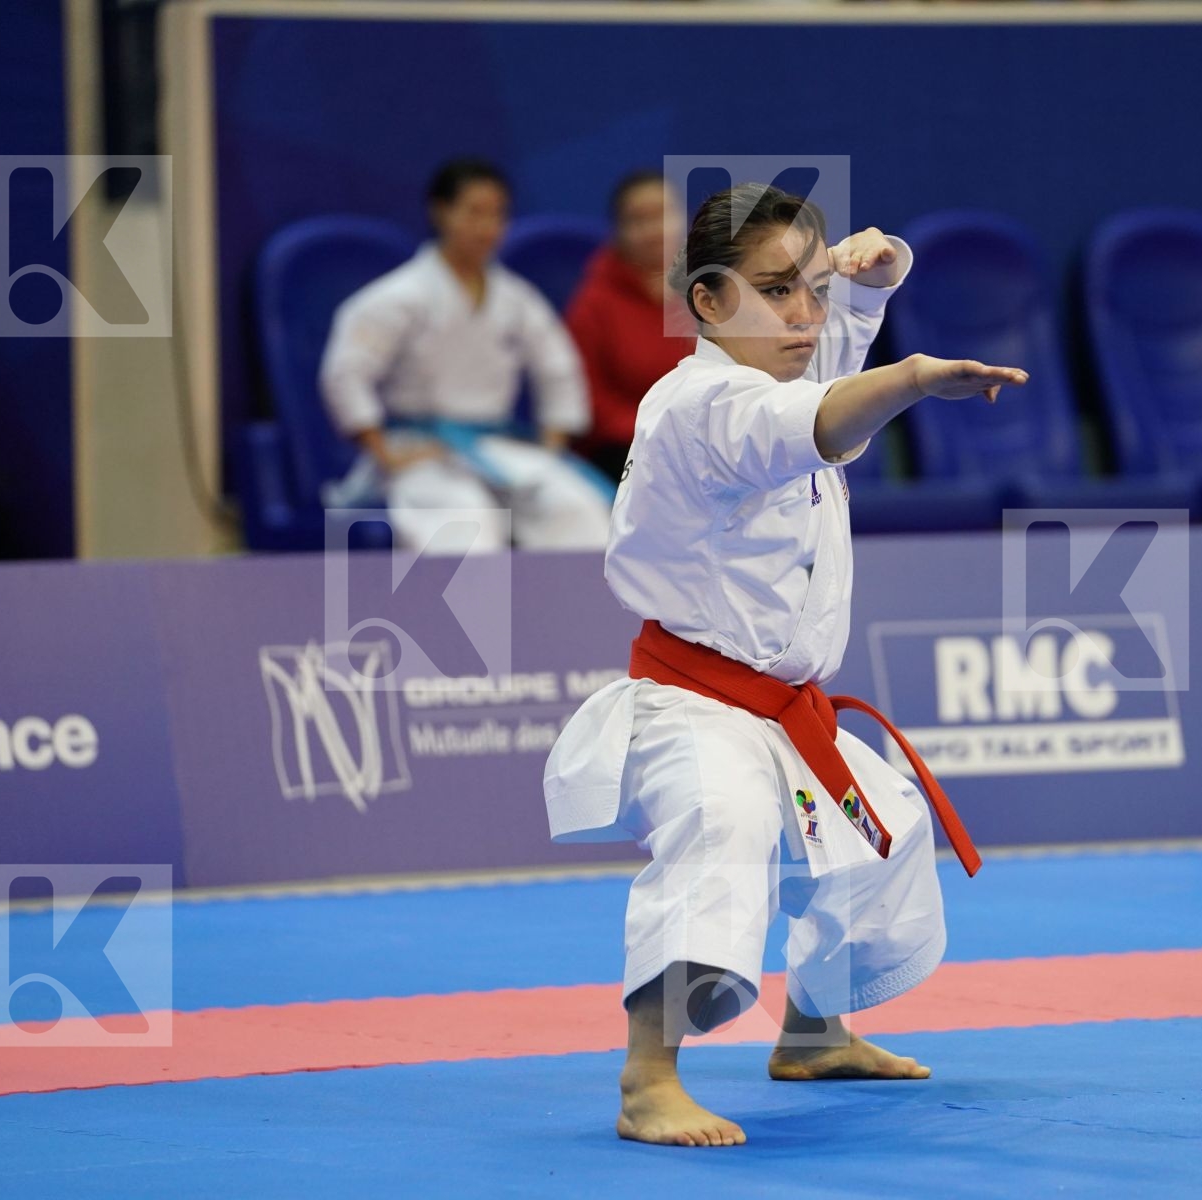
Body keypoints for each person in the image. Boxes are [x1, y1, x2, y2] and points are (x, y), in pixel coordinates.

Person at [542, 183, 1028, 1147]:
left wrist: (878, 274)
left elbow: (830, 357)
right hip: (694, 702)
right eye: (778, 291)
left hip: (782, 707)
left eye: (812, 287)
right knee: (724, 827)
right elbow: (822, 422)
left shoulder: (776, 362)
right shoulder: (703, 403)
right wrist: (917, 377)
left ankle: (813, 1030)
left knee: (882, 825)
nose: (804, 315)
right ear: (709, 302)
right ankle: (648, 1080)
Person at [320, 158, 612, 554]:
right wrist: (381, 448)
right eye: (474, 212)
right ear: (441, 212)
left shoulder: (515, 297)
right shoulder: (399, 295)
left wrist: (552, 444)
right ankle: (462, 617)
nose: (487, 228)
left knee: (576, 508)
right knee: (466, 521)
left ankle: (575, 616)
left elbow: (557, 368)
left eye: (497, 214)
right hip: (422, 447)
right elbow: (346, 372)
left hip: (497, 444)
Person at [564, 170, 690, 483]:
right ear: (618, 230)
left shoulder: (710, 290)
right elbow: (587, 402)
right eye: (639, 220)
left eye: (663, 214)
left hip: (699, 440)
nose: (654, 231)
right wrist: (658, 430)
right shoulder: (593, 303)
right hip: (623, 451)